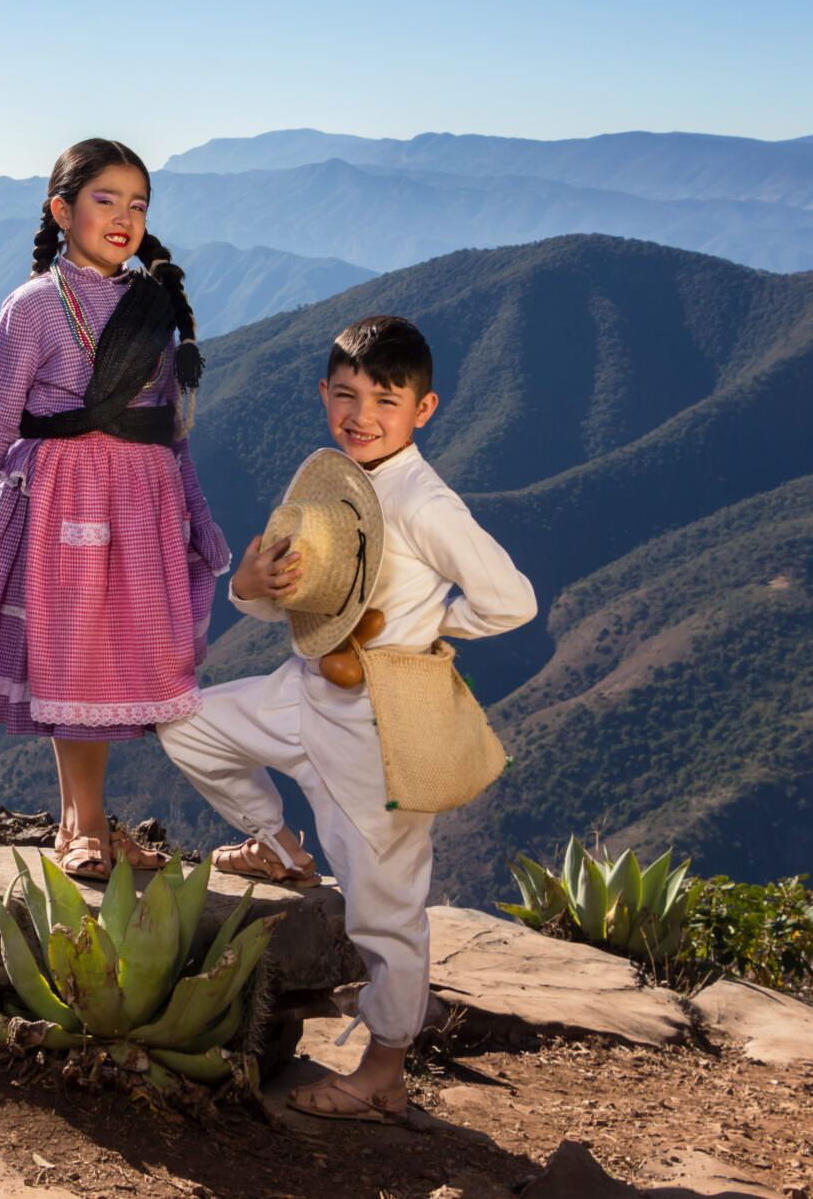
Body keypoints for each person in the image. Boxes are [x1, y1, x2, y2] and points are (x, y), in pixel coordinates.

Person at [157, 315, 537, 1124]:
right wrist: (252, 584)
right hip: (302, 693)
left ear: (423, 409)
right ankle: (278, 842)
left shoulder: (427, 506)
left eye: (385, 400)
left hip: (379, 733)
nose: (361, 414)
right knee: (183, 720)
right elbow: (293, 615)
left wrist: (426, 632)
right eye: (345, 395)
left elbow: (513, 600)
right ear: (322, 395)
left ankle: (384, 1071)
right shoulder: (333, 487)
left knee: (385, 907)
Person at [0, 138, 230, 880]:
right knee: (79, 660)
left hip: (145, 504)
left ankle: (77, 825)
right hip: (67, 500)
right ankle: (85, 826)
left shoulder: (150, 308)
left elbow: (169, 426)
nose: (124, 217)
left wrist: (198, 513)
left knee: (118, 664)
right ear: (62, 210)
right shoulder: (32, 307)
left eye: (138, 203)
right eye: (105, 199)